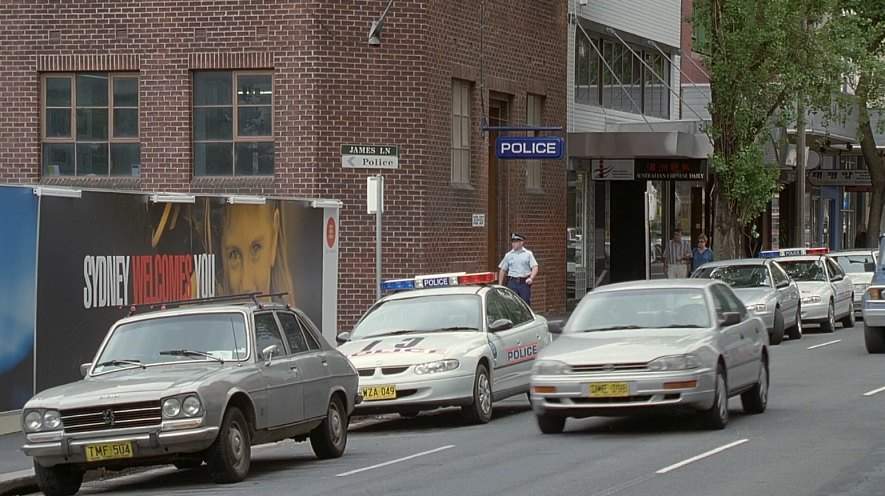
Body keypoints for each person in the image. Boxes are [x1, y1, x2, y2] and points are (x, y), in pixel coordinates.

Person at [498, 233, 539, 305]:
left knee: (525, 304)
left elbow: (535, 267)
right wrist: (500, 285)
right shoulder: (508, 255)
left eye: (515, 242)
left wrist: (531, 278)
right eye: (512, 242)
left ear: (521, 242)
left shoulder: (528, 254)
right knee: (512, 304)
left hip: (524, 283)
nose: (513, 244)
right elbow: (502, 270)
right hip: (512, 282)